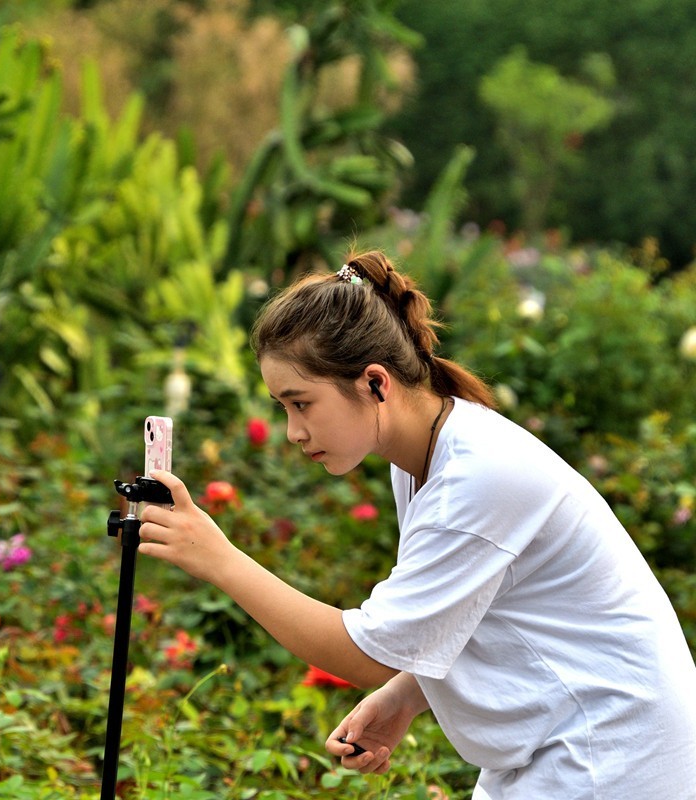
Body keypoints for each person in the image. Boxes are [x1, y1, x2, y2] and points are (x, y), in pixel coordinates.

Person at [138, 250, 696, 798]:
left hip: (613, 754)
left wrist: (219, 559)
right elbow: (471, 610)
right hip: (569, 741)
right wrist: (405, 696)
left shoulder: (473, 479)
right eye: (282, 407)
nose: (292, 431)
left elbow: (363, 655)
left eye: (300, 403)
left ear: (375, 383)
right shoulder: (430, 455)